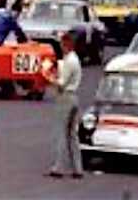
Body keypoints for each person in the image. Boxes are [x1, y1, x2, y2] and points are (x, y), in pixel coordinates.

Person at [44, 33, 83, 179]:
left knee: (61, 132)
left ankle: (58, 168)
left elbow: (61, 83)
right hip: (74, 96)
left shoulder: (69, 61)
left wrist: (49, 77)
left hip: (65, 97)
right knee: (73, 134)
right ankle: (78, 168)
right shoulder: (75, 59)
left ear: (65, 45)